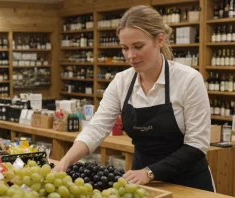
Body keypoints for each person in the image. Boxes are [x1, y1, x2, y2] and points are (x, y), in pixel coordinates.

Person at [53, 5, 215, 192]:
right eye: (125, 48)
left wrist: (149, 172)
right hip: (141, 184)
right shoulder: (122, 81)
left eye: (138, 46)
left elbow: (197, 145)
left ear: (159, 40)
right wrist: (65, 161)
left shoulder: (188, 80)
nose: (131, 55)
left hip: (189, 183)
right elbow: (96, 128)